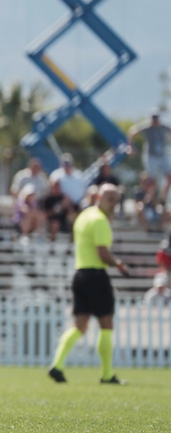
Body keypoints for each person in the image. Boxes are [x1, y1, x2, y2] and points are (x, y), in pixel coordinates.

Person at [48, 184, 130, 385]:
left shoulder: (83, 216)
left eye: (115, 200)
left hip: (80, 274)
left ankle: (57, 365)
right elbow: (102, 253)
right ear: (99, 198)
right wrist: (118, 264)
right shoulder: (99, 220)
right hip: (96, 275)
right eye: (110, 199)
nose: (113, 204)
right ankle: (107, 374)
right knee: (106, 324)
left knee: (79, 326)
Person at [128, 112, 171, 201]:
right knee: (152, 180)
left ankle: (162, 198)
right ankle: (149, 200)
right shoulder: (147, 127)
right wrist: (130, 147)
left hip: (162, 156)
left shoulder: (164, 127)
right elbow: (132, 132)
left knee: (169, 177)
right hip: (151, 156)